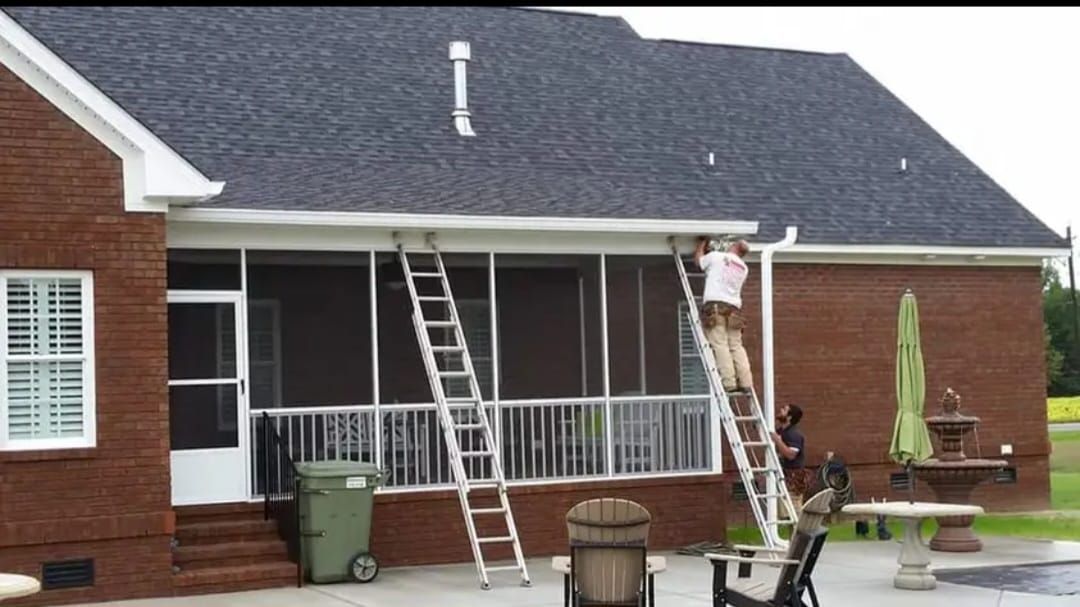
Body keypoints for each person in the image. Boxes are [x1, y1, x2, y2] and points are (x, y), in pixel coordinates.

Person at [693, 235, 752, 393]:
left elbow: (699, 261)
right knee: (736, 346)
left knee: (720, 345)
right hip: (734, 311)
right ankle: (746, 382)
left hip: (716, 308)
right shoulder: (744, 268)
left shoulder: (717, 257)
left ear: (733, 246)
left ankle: (729, 383)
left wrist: (701, 245)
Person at [771, 403, 810, 516]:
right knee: (785, 514)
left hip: (793, 479)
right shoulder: (781, 431)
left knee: (793, 513)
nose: (780, 410)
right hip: (784, 477)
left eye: (784, 409)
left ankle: (799, 533)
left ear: (789, 417)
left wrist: (778, 441)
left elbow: (790, 455)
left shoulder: (794, 434)